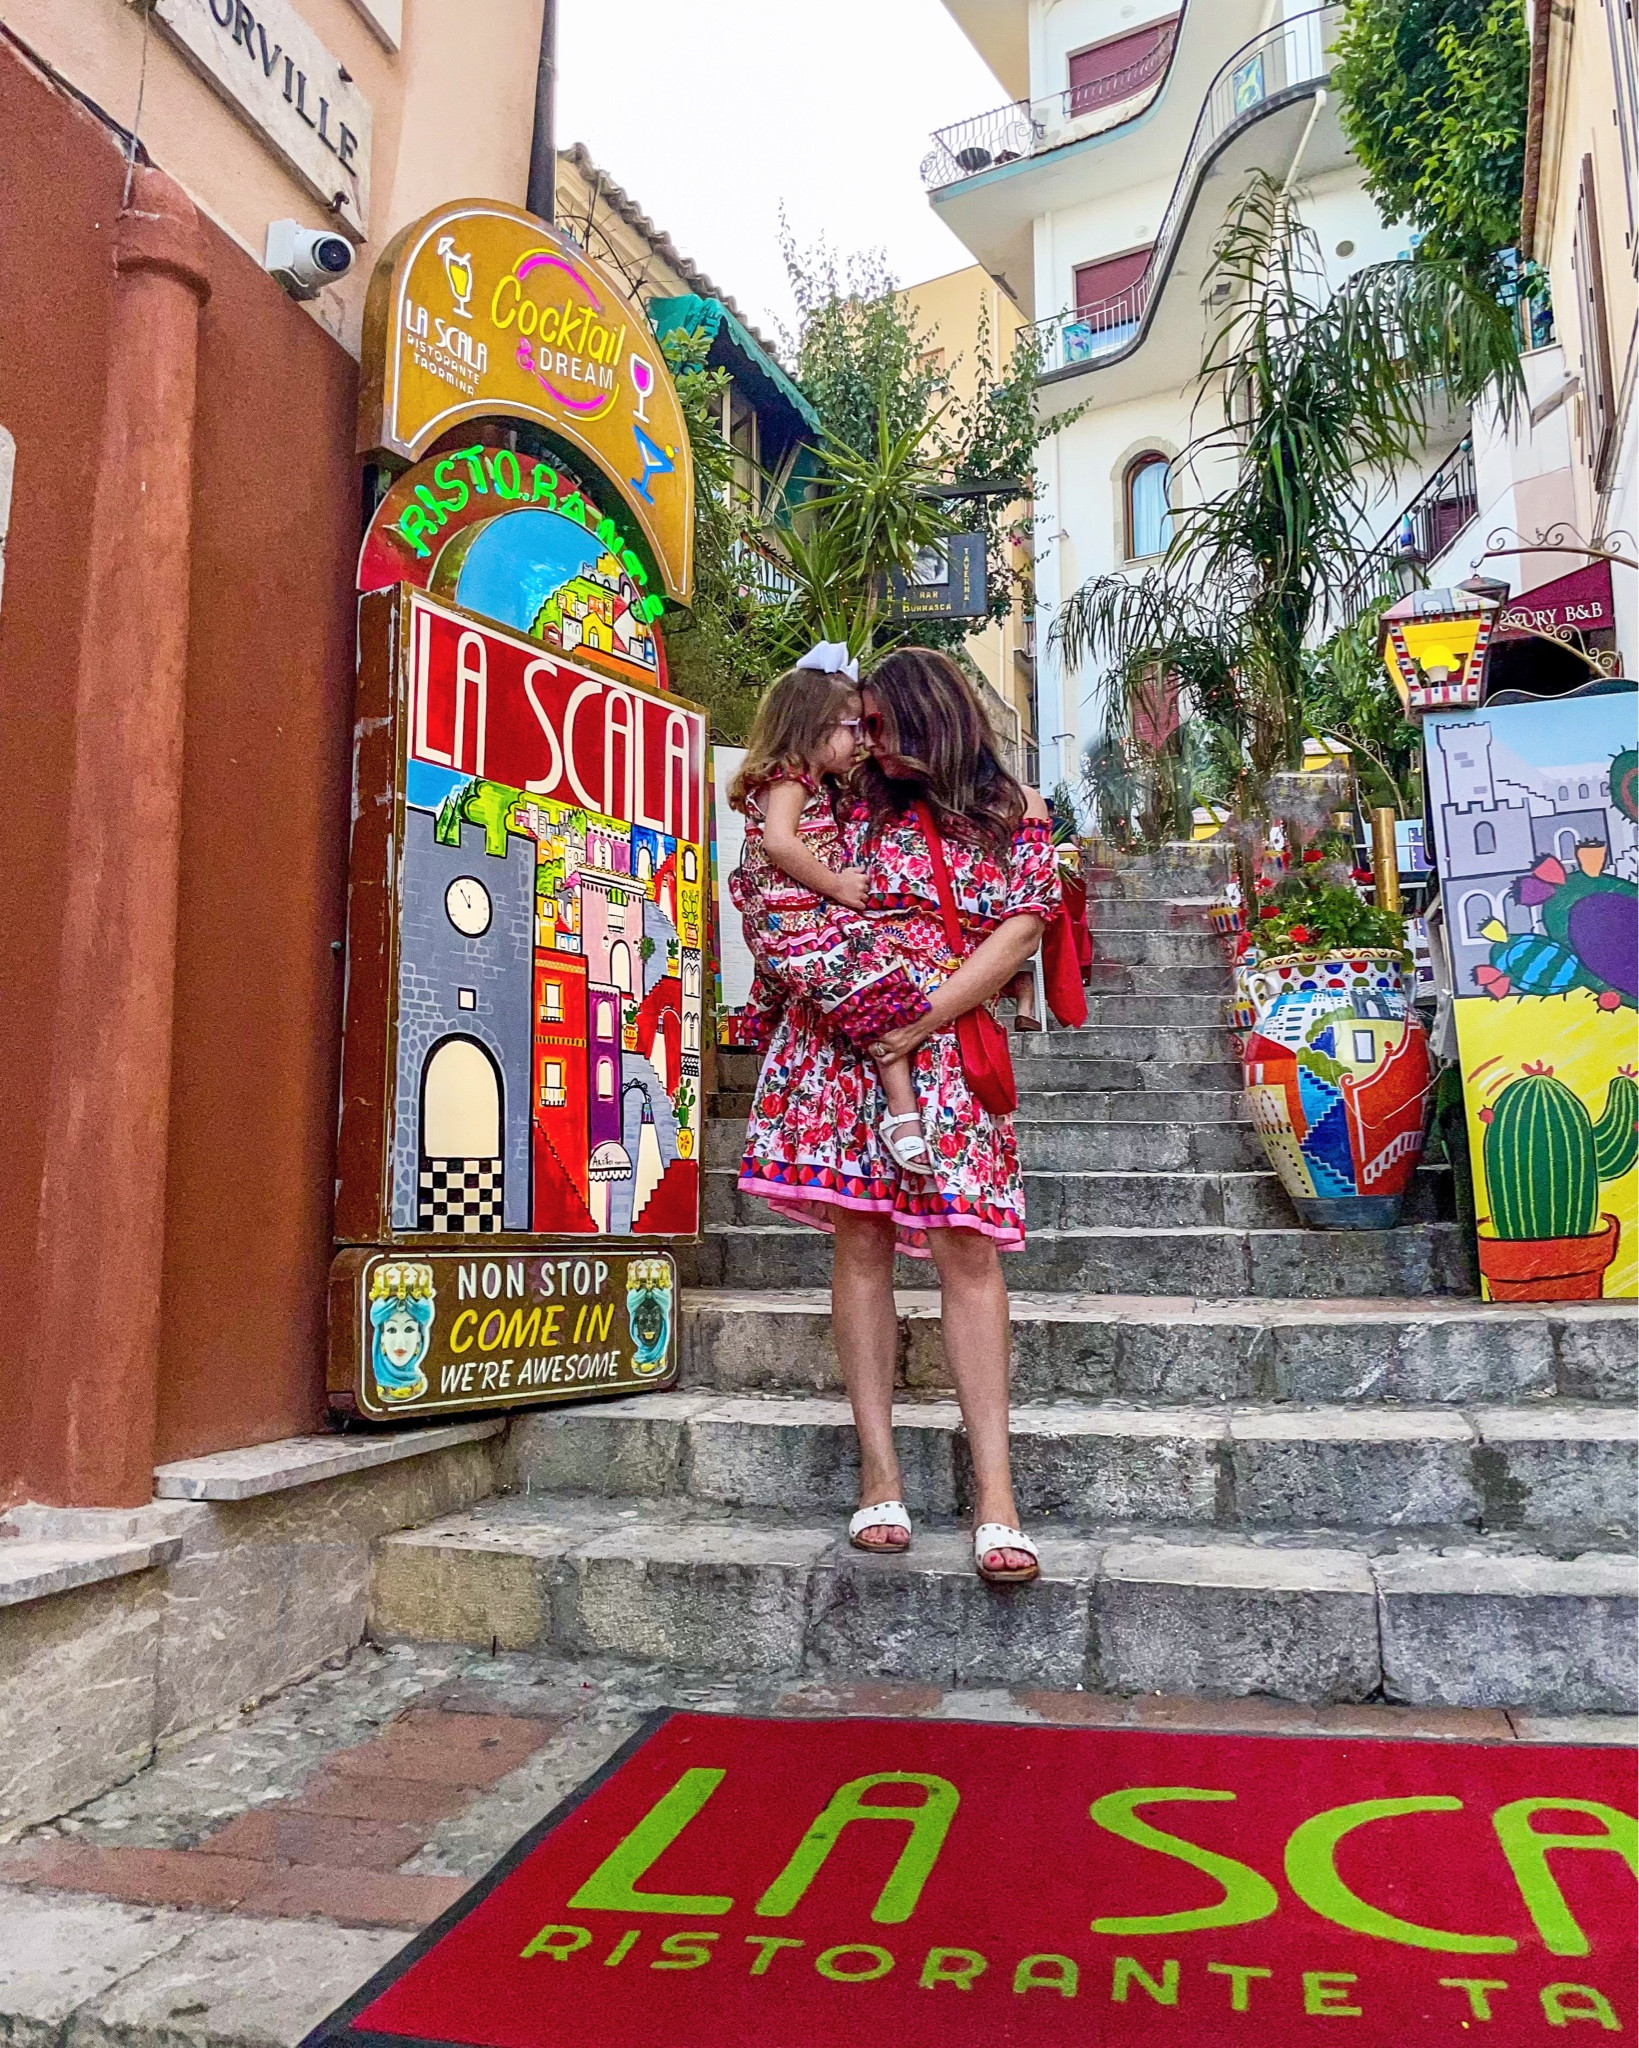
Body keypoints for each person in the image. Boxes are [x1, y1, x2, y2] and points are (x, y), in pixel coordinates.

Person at [739, 645, 1056, 1583]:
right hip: (843, 1044)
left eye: (878, 724)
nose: (865, 741)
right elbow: (771, 875)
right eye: (855, 725)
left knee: (967, 1249)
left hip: (944, 1042)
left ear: (928, 718)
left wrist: (921, 1021)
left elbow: (1025, 925)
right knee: (861, 1243)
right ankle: (879, 1472)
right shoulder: (841, 802)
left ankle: (994, 1491)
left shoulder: (1013, 814)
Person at [729, 644, 938, 1172]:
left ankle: (899, 1110)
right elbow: (780, 843)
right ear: (815, 727)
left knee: (873, 988)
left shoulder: (809, 784)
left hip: (799, 920)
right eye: (852, 726)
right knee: (879, 989)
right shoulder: (791, 780)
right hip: (802, 919)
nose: (863, 741)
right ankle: (903, 1113)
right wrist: (839, 887)